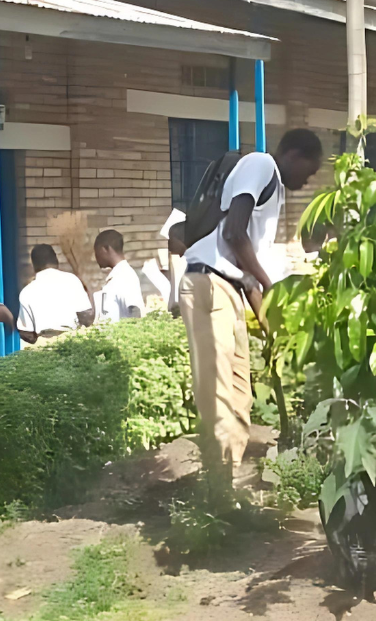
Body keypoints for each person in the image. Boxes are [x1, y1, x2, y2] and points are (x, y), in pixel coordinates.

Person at [179, 129, 324, 480]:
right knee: (218, 396)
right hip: (208, 284)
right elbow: (233, 232)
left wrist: (270, 326)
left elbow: (247, 274)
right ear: (293, 155)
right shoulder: (260, 164)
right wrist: (270, 286)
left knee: (240, 396)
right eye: (309, 171)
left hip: (230, 289)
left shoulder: (273, 193)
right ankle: (217, 493)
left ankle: (226, 483)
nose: (307, 181)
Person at [15, 244, 94, 343]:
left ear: (34, 266)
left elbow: (27, 333)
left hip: (45, 346)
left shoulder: (26, 292)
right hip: (73, 343)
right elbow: (86, 318)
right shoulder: (72, 280)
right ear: (56, 261)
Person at [92, 229, 145, 323]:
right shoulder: (117, 275)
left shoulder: (125, 276)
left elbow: (135, 311)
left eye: (96, 251)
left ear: (104, 249)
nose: (96, 257)